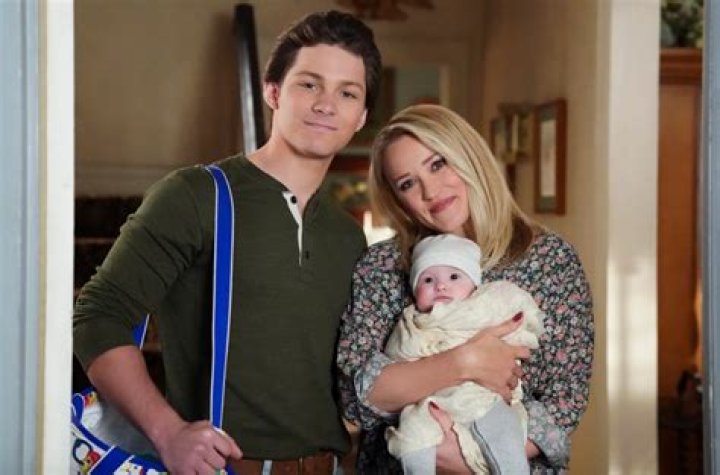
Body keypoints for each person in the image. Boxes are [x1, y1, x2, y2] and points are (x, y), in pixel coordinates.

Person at [73, 10, 382, 474]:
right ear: (272, 92)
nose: (326, 104)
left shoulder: (348, 236)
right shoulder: (196, 195)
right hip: (223, 468)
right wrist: (167, 432)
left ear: (361, 117)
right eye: (309, 84)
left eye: (347, 93)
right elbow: (98, 317)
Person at [336, 104, 594, 473]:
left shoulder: (551, 259)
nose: (430, 190)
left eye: (437, 164)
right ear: (397, 199)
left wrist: (466, 460)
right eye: (407, 183)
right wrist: (463, 362)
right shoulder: (382, 267)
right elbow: (355, 397)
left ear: (469, 156)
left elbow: (565, 402)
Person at [385, 233, 543, 474]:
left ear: (473, 284)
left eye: (454, 276)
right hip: (431, 400)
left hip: (483, 397)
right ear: (415, 291)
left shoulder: (482, 307)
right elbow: (398, 354)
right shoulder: (413, 322)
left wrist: (520, 339)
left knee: (505, 432)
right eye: (428, 279)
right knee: (412, 435)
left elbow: (518, 322)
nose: (441, 285)